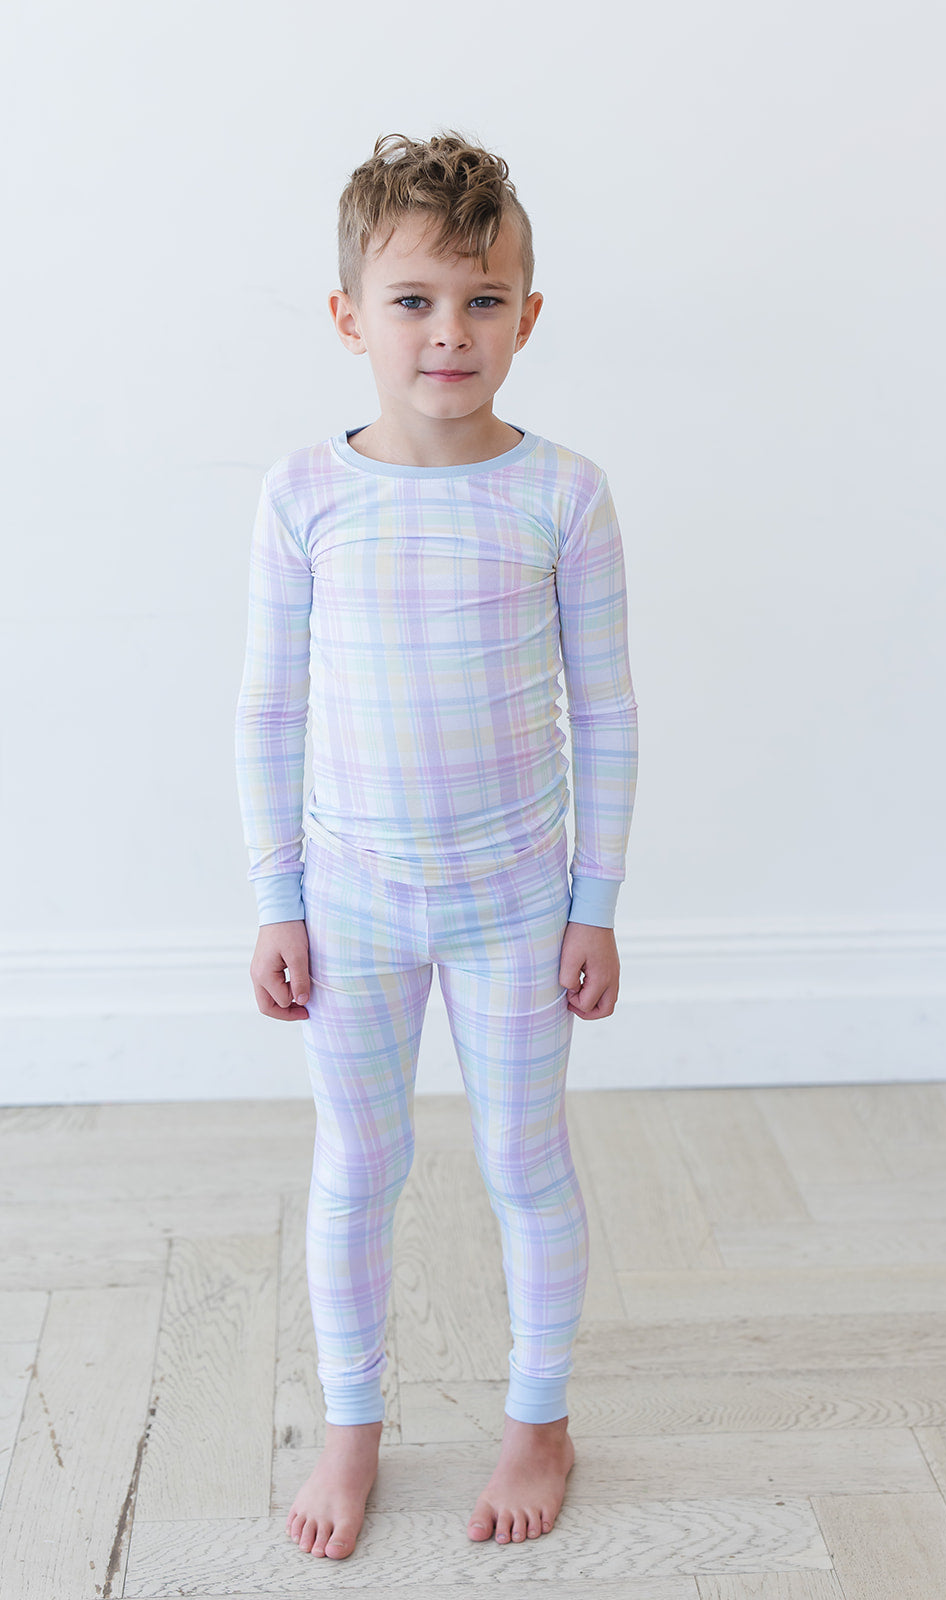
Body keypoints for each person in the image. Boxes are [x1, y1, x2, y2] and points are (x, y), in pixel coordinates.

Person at [233, 128, 639, 1560]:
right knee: (360, 1165)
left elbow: (607, 711)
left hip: (518, 902)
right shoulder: (305, 496)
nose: (449, 332)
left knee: (525, 1160)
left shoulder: (563, 495)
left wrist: (594, 904)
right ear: (352, 316)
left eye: (482, 301)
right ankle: (352, 1425)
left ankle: (540, 1415)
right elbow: (269, 710)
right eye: (413, 300)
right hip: (352, 902)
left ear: (528, 315)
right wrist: (277, 900)